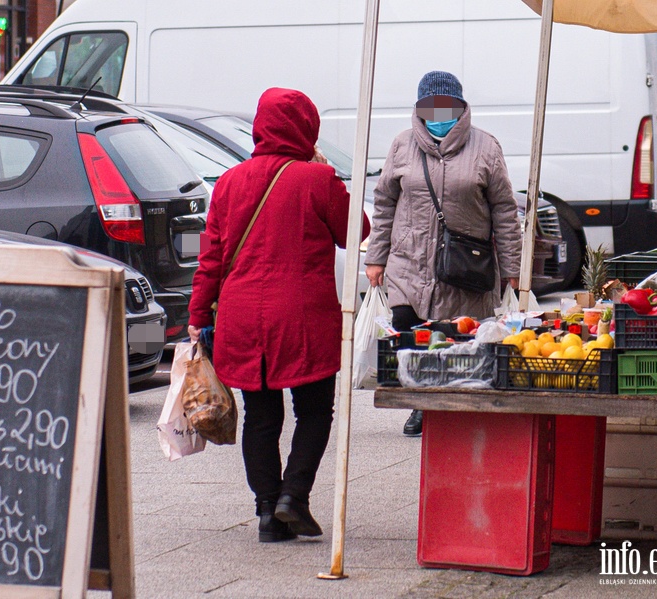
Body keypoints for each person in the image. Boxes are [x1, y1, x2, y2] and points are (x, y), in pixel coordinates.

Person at [187, 87, 370, 543]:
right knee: (313, 411)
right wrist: (327, 172)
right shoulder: (316, 179)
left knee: (260, 417)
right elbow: (357, 231)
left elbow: (210, 258)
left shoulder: (228, 182)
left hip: (242, 316)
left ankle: (268, 512)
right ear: (308, 130)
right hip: (302, 316)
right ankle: (294, 495)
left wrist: (195, 313)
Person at [364, 70, 522, 436]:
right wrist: (376, 257)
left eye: (446, 105)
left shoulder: (485, 147)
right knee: (410, 328)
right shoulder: (403, 145)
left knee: (454, 335)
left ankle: (449, 401)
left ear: (460, 106)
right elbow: (385, 203)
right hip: (410, 261)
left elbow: (504, 209)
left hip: (464, 264)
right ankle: (421, 404)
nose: (438, 114)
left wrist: (511, 269)